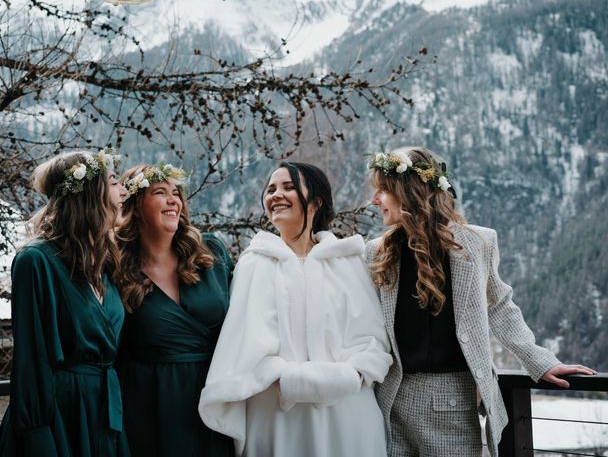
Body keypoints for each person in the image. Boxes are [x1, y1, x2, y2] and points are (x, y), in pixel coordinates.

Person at [366, 147, 596, 457]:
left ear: (409, 192)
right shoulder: (376, 252)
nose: (374, 200)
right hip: (389, 397)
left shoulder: (476, 243)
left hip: (451, 399)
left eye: (383, 190)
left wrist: (540, 362)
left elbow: (500, 305)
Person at [199, 162, 393, 457]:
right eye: (271, 189)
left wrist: (351, 375)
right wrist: (285, 379)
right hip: (277, 416)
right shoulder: (254, 263)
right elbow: (243, 343)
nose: (276, 195)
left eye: (289, 187)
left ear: (316, 202)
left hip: (348, 415)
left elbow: (371, 339)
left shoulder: (348, 260)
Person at [0, 148, 130, 457]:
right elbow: (32, 361)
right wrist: (39, 436)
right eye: (114, 181)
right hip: (59, 418)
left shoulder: (104, 264)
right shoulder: (35, 261)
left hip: (102, 413)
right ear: (90, 193)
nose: (124, 191)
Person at [116, 163, 234, 457]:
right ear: (136, 205)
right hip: (150, 407)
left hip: (215, 399)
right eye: (160, 192)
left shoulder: (210, 253)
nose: (174, 200)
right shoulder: (116, 269)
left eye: (176, 193)